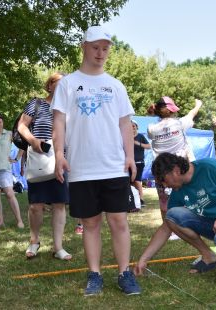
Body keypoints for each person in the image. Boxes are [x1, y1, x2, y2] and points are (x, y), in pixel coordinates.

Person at [52, 25, 141, 296]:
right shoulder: (67, 84)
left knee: (119, 221)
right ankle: (95, 274)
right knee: (90, 223)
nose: (101, 53)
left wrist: (129, 157)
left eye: (105, 48)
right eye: (95, 47)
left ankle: (124, 273)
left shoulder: (116, 85)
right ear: (84, 47)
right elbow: (59, 121)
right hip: (81, 166)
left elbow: (125, 124)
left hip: (113, 164)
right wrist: (58, 155)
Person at [134, 153, 216, 276]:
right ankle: (209, 256)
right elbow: (167, 226)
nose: (164, 185)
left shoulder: (210, 167)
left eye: (163, 180)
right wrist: (144, 259)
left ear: (175, 170)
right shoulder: (178, 190)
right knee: (172, 215)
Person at [18, 73, 71, 260]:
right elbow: (21, 126)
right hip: (39, 158)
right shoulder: (37, 103)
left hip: (59, 159)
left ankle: (58, 248)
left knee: (59, 204)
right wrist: (33, 141)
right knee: (35, 205)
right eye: (60, 82)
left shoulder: (68, 108)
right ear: (49, 85)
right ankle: (34, 241)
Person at [147, 96, 203, 240]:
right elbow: (192, 114)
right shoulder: (179, 124)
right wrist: (198, 105)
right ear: (172, 111)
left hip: (161, 171)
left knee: (164, 202)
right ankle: (187, 227)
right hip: (180, 170)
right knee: (186, 198)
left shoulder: (152, 128)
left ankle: (169, 230)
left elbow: (151, 134)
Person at [131, 119, 150, 208]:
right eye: (130, 127)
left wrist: (138, 143)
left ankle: (141, 199)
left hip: (139, 163)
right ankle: (131, 199)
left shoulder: (140, 136)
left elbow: (149, 146)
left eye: (133, 126)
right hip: (128, 163)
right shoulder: (125, 137)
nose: (132, 128)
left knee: (137, 181)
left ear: (136, 127)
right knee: (128, 181)